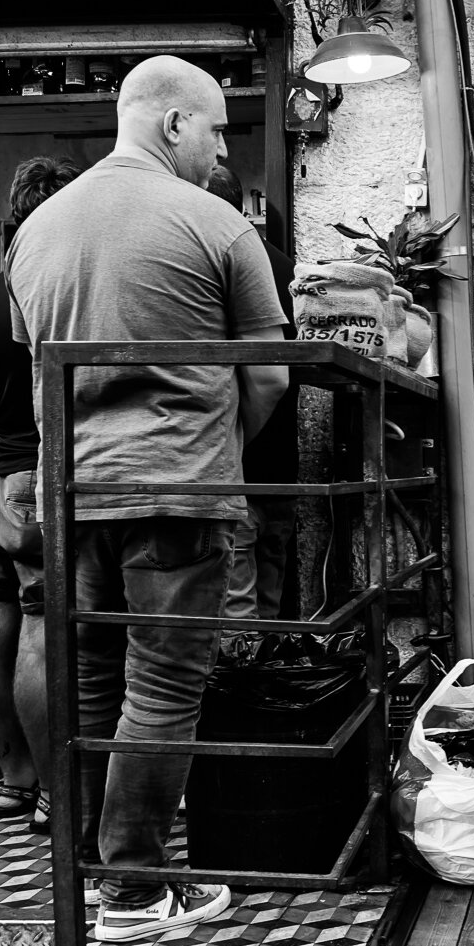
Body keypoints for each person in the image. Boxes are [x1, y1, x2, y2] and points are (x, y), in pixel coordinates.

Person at [5, 56, 287, 943]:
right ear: (172, 125)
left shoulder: (35, 233)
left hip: (72, 491)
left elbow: (34, 363)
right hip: (176, 488)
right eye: (214, 129)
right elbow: (272, 376)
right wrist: (217, 450)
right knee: (165, 682)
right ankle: (132, 889)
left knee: (88, 678)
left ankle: (86, 875)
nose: (221, 147)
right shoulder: (217, 225)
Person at [0, 155, 80, 824]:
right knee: (41, 626)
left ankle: (14, 778)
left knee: (0, 622)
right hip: (33, 469)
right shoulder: (48, 276)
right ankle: (56, 789)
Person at [205, 163, 294, 650]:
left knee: (234, 622)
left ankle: (246, 714)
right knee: (271, 612)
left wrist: (235, 442)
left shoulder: (211, 261)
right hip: (281, 469)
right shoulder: (288, 268)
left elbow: (269, 379)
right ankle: (270, 709)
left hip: (233, 467)